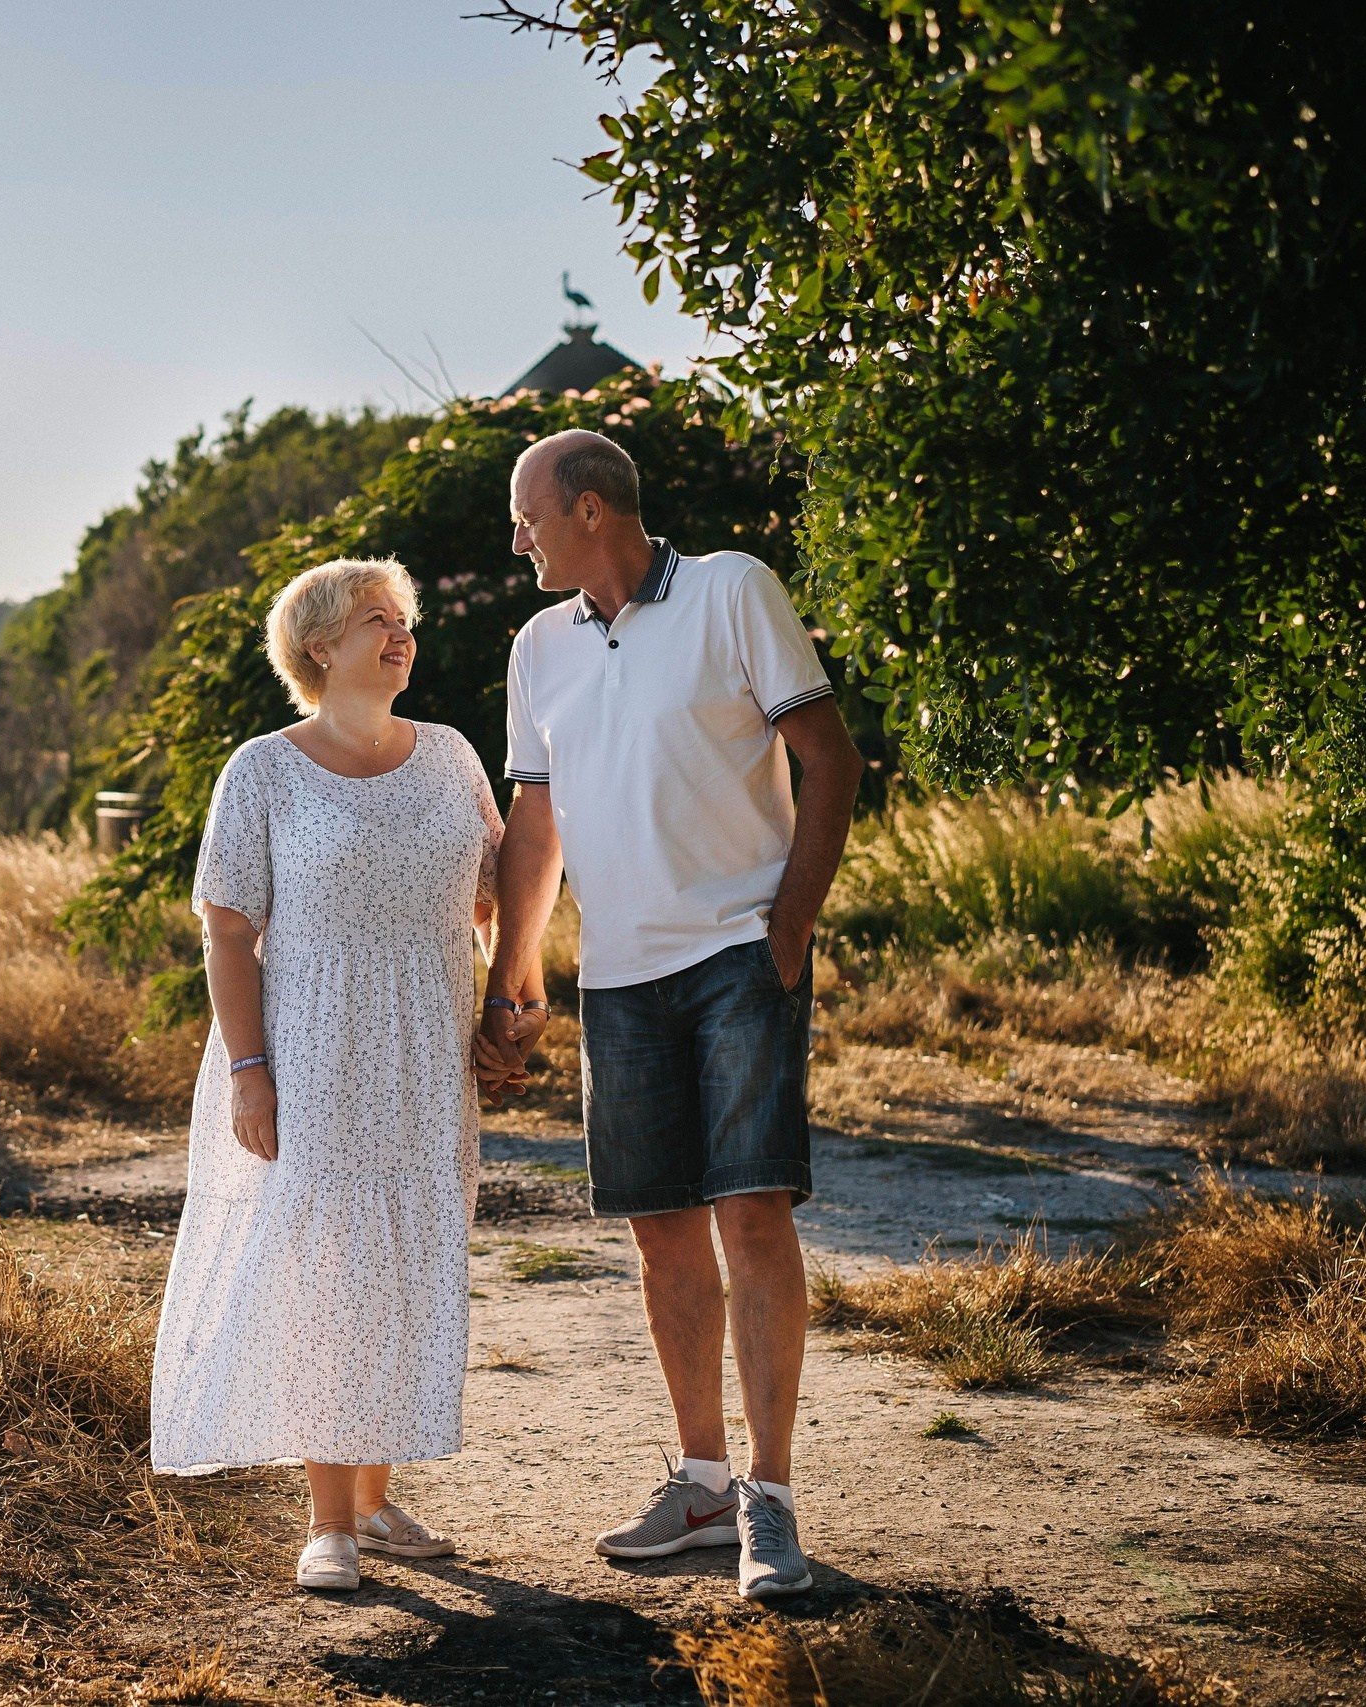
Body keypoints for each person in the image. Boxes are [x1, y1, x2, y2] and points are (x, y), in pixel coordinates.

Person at [474, 430, 861, 1602]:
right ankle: (698, 1483)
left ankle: (770, 1499)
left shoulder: (733, 590)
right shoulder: (537, 646)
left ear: (590, 509)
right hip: (623, 980)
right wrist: (517, 973)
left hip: (739, 956)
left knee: (750, 1213)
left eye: (526, 515)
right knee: (658, 1229)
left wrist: (786, 929)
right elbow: (533, 829)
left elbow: (829, 762)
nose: (516, 536)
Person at [150, 557, 503, 1593]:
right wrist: (250, 1073)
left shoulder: (448, 756)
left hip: (427, 1047)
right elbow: (225, 930)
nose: (400, 636)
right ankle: (328, 1523)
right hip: (308, 1047)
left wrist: (509, 1004)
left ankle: (374, 1497)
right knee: (326, 1271)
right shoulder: (262, 767)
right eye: (374, 621)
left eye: (404, 620)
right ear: (318, 647)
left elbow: (497, 894)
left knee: (405, 1262)